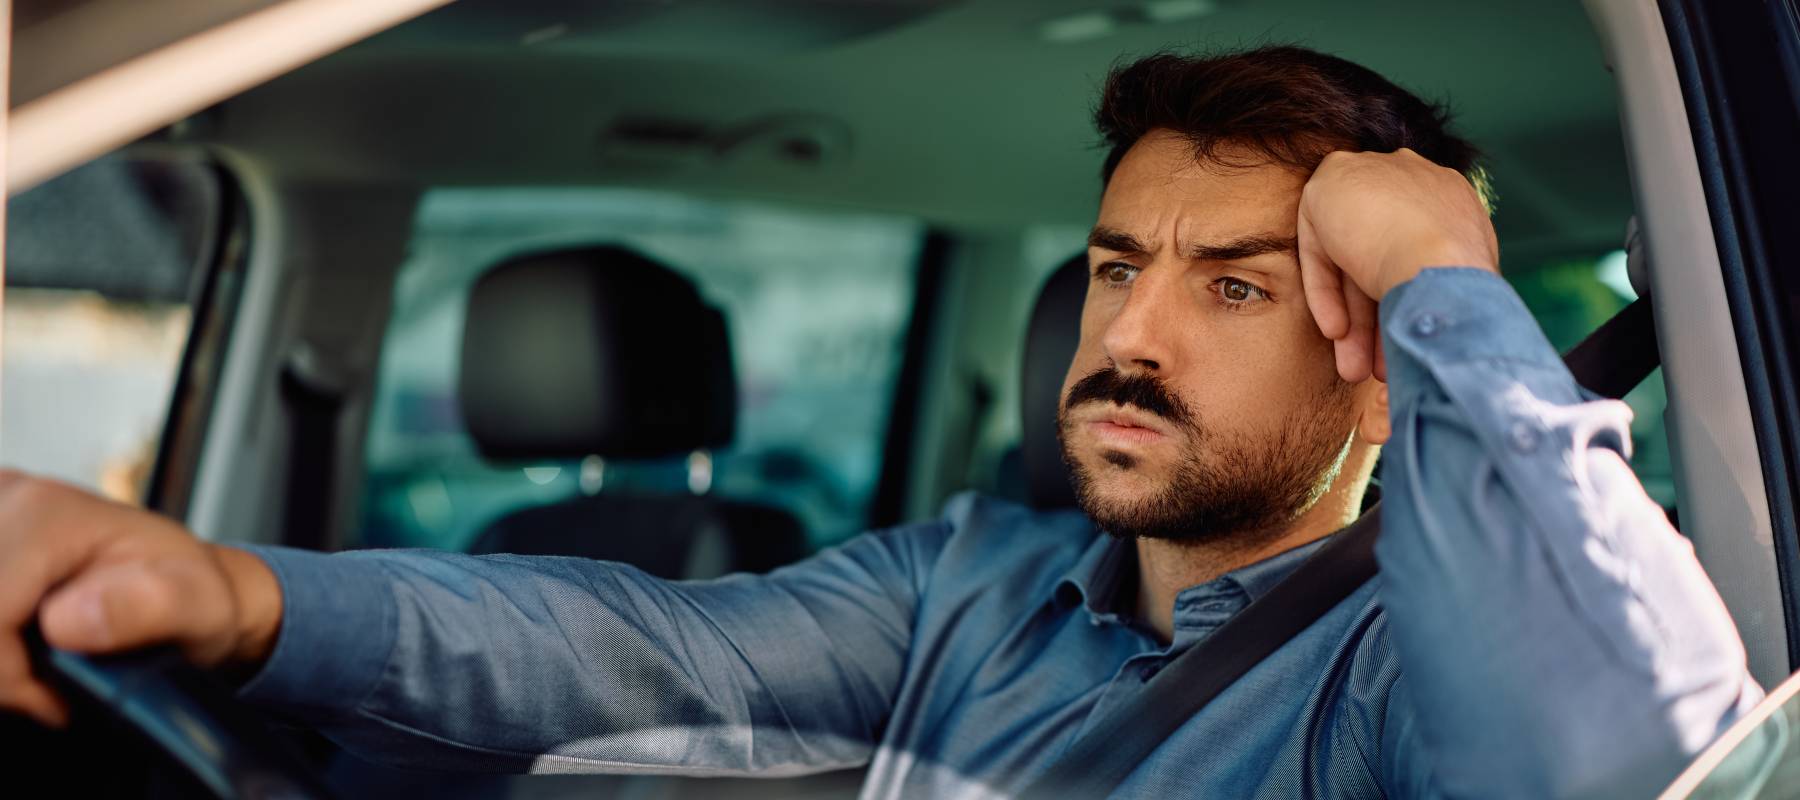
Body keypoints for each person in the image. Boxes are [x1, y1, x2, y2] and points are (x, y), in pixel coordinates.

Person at [0, 46, 1761, 797]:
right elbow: (644, 654)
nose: (1124, 336)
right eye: (1110, 264)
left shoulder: (1394, 671)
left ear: (1371, 349)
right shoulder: (978, 581)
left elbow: (1627, 765)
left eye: (1232, 285)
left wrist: (1452, 284)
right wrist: (237, 600)